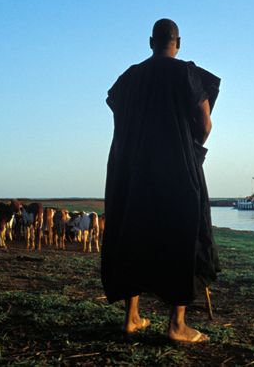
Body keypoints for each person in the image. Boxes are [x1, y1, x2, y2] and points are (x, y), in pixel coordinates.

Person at [101, 18, 221, 343]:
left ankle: (132, 317)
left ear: (150, 41)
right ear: (177, 42)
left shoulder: (130, 77)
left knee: (134, 234)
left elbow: (119, 118)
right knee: (182, 236)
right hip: (176, 168)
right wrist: (189, 143)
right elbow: (205, 123)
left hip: (133, 168)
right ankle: (177, 326)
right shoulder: (186, 73)